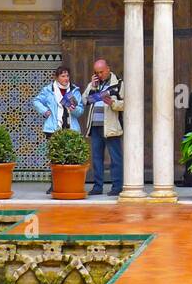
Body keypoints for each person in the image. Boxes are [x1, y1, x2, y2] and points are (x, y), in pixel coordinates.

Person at [81, 59, 124, 196]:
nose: (99, 75)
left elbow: (126, 104)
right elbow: (84, 100)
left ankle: (117, 187)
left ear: (108, 69)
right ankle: (97, 187)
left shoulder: (118, 84)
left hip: (111, 127)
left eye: (101, 72)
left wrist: (112, 103)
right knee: (97, 158)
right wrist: (93, 87)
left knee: (115, 158)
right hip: (95, 126)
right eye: (96, 72)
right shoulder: (94, 84)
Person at [32, 65, 82, 136]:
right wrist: (44, 111)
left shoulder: (74, 90)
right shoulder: (48, 90)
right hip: (53, 129)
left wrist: (74, 109)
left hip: (72, 129)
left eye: (67, 76)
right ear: (57, 77)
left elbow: (80, 111)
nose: (66, 78)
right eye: (63, 76)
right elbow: (36, 101)